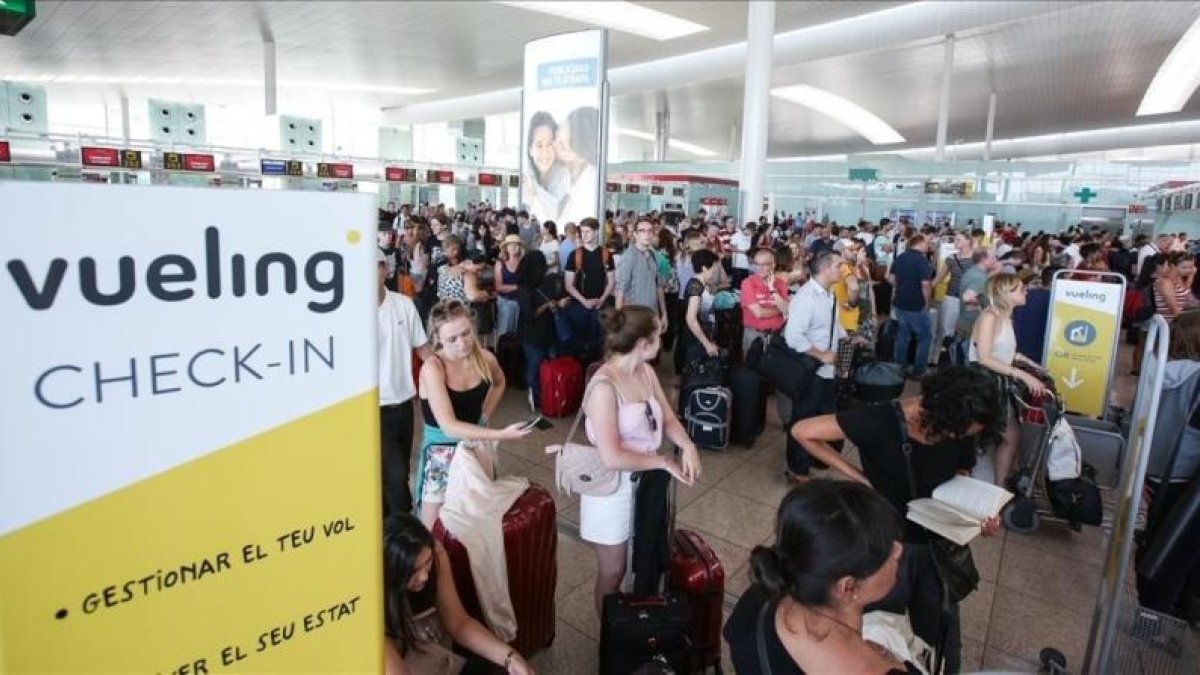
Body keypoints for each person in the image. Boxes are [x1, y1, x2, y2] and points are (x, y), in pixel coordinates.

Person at [790, 366, 1006, 673]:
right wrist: (859, 478)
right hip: (887, 546)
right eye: (959, 433)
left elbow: (962, 470)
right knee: (876, 633)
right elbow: (803, 431)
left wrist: (974, 513)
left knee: (939, 639)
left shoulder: (959, 423)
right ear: (944, 413)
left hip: (937, 545)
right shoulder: (878, 420)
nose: (960, 438)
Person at [582, 306, 702, 615]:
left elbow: (667, 418)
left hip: (644, 480)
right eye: (658, 336)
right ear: (642, 343)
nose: (662, 341)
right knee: (614, 571)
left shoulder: (644, 372)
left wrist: (687, 445)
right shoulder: (604, 387)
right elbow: (612, 456)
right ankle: (611, 636)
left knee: (643, 560)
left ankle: (634, 626)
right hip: (612, 488)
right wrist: (663, 461)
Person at [724, 480, 910, 674]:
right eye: (887, 552)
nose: (899, 550)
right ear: (848, 587)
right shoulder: (878, 668)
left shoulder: (762, 594)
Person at [414, 300, 529, 527]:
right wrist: (499, 434)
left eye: (466, 333)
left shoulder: (485, 358)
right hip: (441, 451)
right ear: (437, 338)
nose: (462, 343)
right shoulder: (433, 368)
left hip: (476, 444)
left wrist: (484, 415)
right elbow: (449, 426)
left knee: (478, 520)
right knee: (433, 529)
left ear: (473, 327)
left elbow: (499, 382)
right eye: (452, 339)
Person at [382, 513, 535, 675]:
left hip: (436, 657)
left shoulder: (436, 552)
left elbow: (459, 622)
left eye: (427, 563)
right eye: (413, 571)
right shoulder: (374, 595)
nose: (424, 576)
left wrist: (510, 657)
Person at [970, 274, 1048, 485]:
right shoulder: (990, 317)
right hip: (984, 385)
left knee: (1007, 437)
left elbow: (1002, 351)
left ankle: (1000, 485)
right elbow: (984, 357)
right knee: (1011, 437)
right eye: (1020, 289)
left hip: (995, 383)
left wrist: (1030, 364)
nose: (1026, 292)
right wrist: (1022, 374)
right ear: (1004, 293)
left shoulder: (1004, 317)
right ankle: (1000, 489)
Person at [783, 251, 849, 481]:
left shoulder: (828, 294)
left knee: (826, 415)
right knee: (803, 417)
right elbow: (793, 337)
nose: (842, 269)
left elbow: (832, 325)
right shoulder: (806, 297)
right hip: (811, 369)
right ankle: (796, 468)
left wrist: (846, 337)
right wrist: (820, 354)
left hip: (828, 369)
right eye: (838, 265)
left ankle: (816, 457)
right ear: (825, 269)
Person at [378, 250, 434, 516]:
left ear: (385, 270)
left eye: (378, 265)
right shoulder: (346, 311)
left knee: (399, 470)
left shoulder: (403, 304)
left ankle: (394, 531)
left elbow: (424, 350)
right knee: (395, 476)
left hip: (402, 405)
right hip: (371, 409)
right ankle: (401, 527)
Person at [515, 250, 566, 411]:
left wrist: (556, 303)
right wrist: (549, 305)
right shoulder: (524, 288)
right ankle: (535, 396)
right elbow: (530, 314)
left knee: (542, 363)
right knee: (535, 364)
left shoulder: (540, 282)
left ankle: (545, 394)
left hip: (544, 330)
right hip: (532, 332)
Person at [562, 217, 615, 361]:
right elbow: (568, 284)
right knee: (579, 344)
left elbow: (611, 281)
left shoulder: (605, 254)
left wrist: (602, 299)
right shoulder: (575, 255)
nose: (584, 235)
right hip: (579, 305)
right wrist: (584, 301)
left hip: (600, 305)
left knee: (599, 344)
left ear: (596, 232)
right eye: (582, 232)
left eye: (588, 232)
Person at [889, 235, 935, 377]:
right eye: (927, 243)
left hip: (900, 302)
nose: (929, 246)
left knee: (903, 335)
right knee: (925, 337)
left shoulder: (901, 257)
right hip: (916, 304)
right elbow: (925, 285)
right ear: (920, 243)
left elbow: (891, 278)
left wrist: (903, 287)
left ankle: (899, 369)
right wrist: (927, 302)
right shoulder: (922, 261)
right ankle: (919, 371)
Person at [615, 217, 669, 330]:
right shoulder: (629, 257)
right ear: (635, 234)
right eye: (642, 231)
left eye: (650, 231)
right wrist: (619, 323)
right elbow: (620, 290)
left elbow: (658, 287)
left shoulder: (653, 256)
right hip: (633, 318)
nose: (647, 234)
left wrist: (664, 313)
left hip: (652, 315)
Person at [555, 107, 600, 227]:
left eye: (562, 146)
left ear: (582, 154)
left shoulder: (590, 190)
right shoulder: (565, 181)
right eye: (556, 136)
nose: (554, 147)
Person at [931, 232, 974, 357]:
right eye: (955, 240)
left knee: (967, 329)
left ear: (968, 241)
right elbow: (939, 277)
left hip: (972, 299)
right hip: (952, 296)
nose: (956, 242)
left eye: (959, 239)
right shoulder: (951, 258)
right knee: (946, 328)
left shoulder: (977, 258)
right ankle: (943, 356)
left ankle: (961, 355)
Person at [740, 247, 790, 352]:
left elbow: (786, 310)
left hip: (776, 335)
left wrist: (772, 289)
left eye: (765, 264)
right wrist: (779, 309)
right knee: (750, 366)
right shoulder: (747, 283)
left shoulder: (780, 284)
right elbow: (759, 313)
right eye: (757, 264)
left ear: (773, 265)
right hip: (754, 335)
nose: (760, 268)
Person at [523, 111, 568, 224]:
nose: (545, 152)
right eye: (539, 145)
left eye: (550, 144)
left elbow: (555, 213)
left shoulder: (564, 175)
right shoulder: (526, 176)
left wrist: (535, 189)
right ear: (530, 149)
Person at [682, 249, 722, 362]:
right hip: (697, 339)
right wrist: (707, 343)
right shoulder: (696, 286)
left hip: (703, 336)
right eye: (714, 267)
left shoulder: (701, 284)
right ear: (704, 268)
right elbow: (691, 319)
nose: (715, 270)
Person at [955, 249, 999, 338]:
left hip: (965, 319)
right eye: (993, 258)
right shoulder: (980, 278)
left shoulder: (974, 270)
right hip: (971, 322)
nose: (995, 260)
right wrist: (983, 303)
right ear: (983, 259)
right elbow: (967, 297)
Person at [437, 236, 488, 303]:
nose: (480, 273)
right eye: (478, 269)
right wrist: (485, 294)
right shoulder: (467, 274)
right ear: (468, 262)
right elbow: (473, 296)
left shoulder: (442, 269)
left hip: (444, 309)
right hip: (460, 310)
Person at [494, 235, 525, 338]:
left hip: (521, 300)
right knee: (509, 310)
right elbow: (498, 287)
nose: (514, 247)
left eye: (516, 245)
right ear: (506, 248)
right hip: (505, 300)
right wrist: (517, 287)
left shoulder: (524, 262)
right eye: (511, 245)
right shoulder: (500, 263)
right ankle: (501, 349)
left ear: (520, 247)